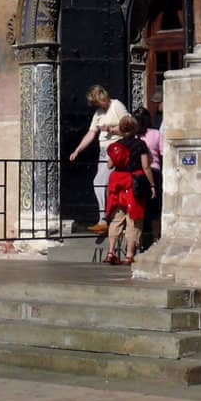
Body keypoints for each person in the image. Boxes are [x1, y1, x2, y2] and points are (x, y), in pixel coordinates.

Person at [68, 84, 128, 234]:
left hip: (116, 150)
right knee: (105, 184)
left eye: (96, 102)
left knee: (99, 182)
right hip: (103, 151)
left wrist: (112, 129)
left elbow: (129, 128)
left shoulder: (117, 106)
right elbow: (91, 133)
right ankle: (108, 217)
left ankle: (104, 219)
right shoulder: (98, 113)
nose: (96, 106)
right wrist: (78, 150)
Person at [103, 115, 155, 266]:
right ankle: (129, 255)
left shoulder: (116, 145)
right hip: (133, 183)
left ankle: (111, 252)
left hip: (118, 183)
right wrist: (152, 185)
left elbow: (109, 165)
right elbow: (145, 166)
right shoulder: (140, 145)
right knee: (134, 218)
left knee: (116, 218)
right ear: (134, 128)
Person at [133, 107, 163, 247]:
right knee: (154, 207)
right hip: (154, 171)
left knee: (138, 206)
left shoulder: (133, 136)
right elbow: (163, 152)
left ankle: (136, 240)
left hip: (137, 174)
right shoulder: (157, 134)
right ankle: (156, 238)